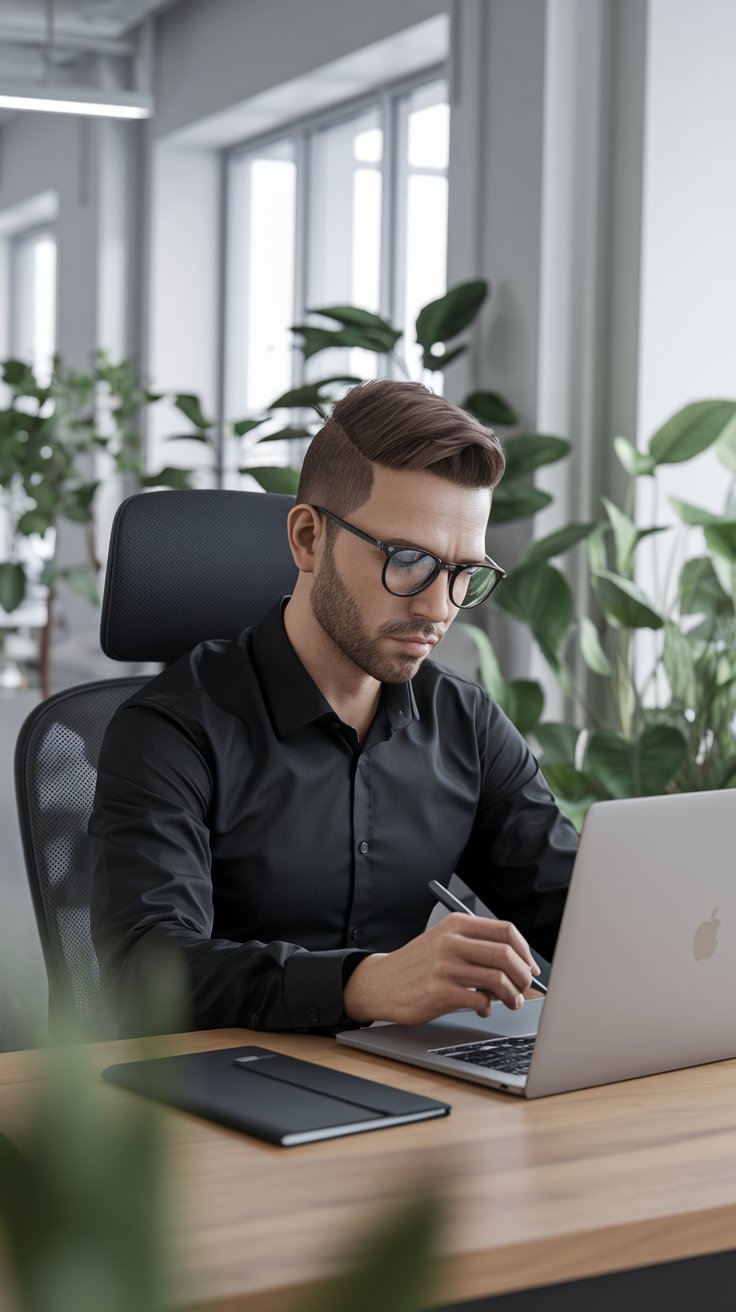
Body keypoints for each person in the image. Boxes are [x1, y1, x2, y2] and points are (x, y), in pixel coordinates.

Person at [89, 378, 578, 1036]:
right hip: (215, 1096)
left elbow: (576, 907)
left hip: (403, 1089)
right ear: (308, 539)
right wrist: (360, 983)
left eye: (464, 573)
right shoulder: (171, 731)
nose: (438, 608)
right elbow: (143, 972)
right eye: (409, 561)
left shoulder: (464, 721)